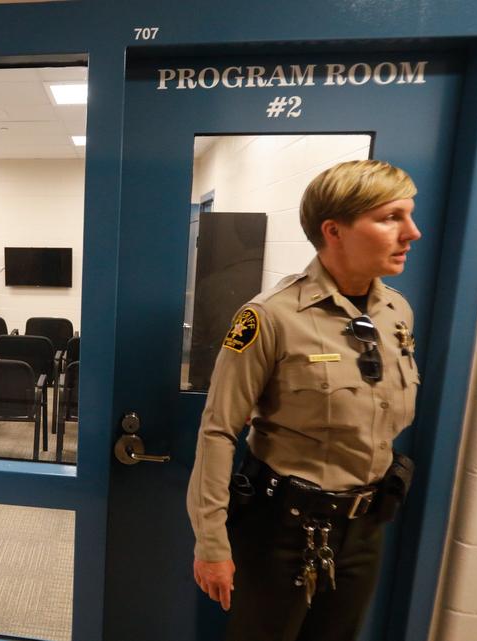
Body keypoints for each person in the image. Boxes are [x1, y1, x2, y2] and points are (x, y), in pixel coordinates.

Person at [186, 159, 423, 641]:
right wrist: (212, 542)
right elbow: (218, 430)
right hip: (283, 530)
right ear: (333, 230)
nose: (411, 232)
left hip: (363, 529)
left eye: (408, 215)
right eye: (390, 217)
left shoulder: (396, 312)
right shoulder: (269, 317)